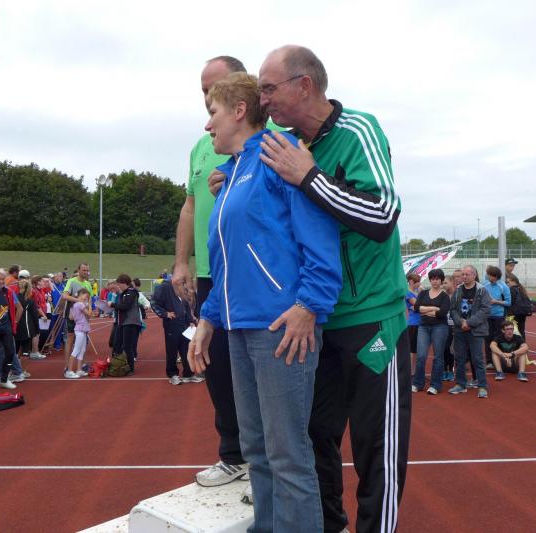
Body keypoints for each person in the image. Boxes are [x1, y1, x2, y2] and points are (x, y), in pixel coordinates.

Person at [255, 45, 410, 533]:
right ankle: (328, 524)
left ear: (305, 84)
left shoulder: (358, 130)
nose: (262, 100)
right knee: (314, 435)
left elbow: (382, 216)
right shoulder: (281, 144)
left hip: (371, 317)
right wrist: (231, 180)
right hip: (315, 318)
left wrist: (308, 176)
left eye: (268, 88)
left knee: (375, 447)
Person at [189, 70, 341, 532]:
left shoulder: (280, 156)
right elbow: (226, 258)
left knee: (287, 453)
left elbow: (320, 237)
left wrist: (309, 304)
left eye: (212, 112)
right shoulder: (232, 174)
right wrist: (209, 319)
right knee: (256, 448)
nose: (207, 125)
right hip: (240, 327)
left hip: (279, 328)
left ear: (239, 111)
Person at [172, 55, 250, 486]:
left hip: (250, 270)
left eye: (213, 88)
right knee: (214, 364)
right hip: (210, 271)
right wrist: (182, 261)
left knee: (259, 364)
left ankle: (266, 458)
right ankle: (234, 453)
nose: (206, 98)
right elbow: (189, 206)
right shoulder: (203, 146)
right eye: (202, 90)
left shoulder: (273, 134)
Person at [449, 265, 491, 398]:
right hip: (460, 329)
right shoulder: (458, 290)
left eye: (467, 274)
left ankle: (482, 386)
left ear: (474, 275)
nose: (464, 277)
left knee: (477, 359)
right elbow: (453, 309)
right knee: (459, 358)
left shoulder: (481, 290)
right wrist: (461, 322)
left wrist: (469, 322)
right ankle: (460, 384)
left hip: (476, 330)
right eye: (463, 274)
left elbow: (485, 309)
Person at [152, 267, 198, 385]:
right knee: (172, 350)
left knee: (186, 349)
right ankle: (173, 375)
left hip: (184, 325)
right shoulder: (164, 287)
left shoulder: (182, 287)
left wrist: (190, 320)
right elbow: (154, 303)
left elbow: (186, 306)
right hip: (172, 325)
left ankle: (188, 374)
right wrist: (165, 314)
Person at [412, 269, 450, 395]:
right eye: (433, 279)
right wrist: (434, 308)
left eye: (437, 279)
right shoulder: (423, 293)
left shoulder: (444, 296)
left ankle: (435, 385)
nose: (435, 281)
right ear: (430, 280)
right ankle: (418, 383)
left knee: (438, 357)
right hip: (423, 327)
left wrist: (425, 310)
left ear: (441, 280)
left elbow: (442, 313)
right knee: (421, 356)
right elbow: (416, 308)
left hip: (440, 327)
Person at [0, 269, 21, 391]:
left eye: (2, 279)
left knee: (10, 353)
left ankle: (4, 379)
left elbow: (14, 309)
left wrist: (14, 324)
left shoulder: (9, 292)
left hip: (6, 328)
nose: (0, 281)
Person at [62, 263, 93, 372]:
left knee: (83, 341)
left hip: (84, 317)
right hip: (72, 315)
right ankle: (67, 366)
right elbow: (65, 296)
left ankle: (82, 365)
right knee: (70, 339)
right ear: (79, 270)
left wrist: (90, 311)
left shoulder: (88, 284)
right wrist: (78, 300)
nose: (86, 272)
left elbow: (90, 299)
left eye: (87, 270)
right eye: (84, 270)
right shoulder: (71, 281)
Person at [110, 274, 141, 374]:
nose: (118, 286)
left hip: (130, 322)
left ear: (124, 283)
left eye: (119, 284)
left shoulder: (131, 292)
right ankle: (118, 365)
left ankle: (130, 368)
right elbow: (121, 306)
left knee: (127, 346)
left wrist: (112, 304)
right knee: (116, 344)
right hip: (122, 322)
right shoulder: (124, 293)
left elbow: (125, 306)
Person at [483, 265, 511, 366]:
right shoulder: (485, 284)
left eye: (491, 275)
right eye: (488, 275)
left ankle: (499, 359)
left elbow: (508, 302)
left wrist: (496, 301)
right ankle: (489, 361)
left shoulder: (503, 287)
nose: (489, 277)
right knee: (488, 338)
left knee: (498, 338)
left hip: (499, 316)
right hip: (487, 315)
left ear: (496, 276)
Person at [66, 288, 92, 379]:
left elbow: (71, 317)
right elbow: (89, 314)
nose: (87, 298)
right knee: (76, 350)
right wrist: (89, 305)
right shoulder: (80, 304)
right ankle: (69, 371)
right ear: (81, 294)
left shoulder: (74, 305)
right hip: (80, 329)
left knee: (82, 349)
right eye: (86, 296)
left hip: (81, 329)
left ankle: (79, 369)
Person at [506, 273, 531, 341]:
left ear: (514, 281)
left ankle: (518, 346)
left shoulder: (512, 290)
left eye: (508, 282)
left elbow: (510, 303)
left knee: (514, 332)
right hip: (522, 313)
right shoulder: (521, 289)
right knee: (521, 331)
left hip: (514, 314)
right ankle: (523, 345)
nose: (507, 284)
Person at [442, 274, 457, 381]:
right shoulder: (442, 295)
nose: (444, 285)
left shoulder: (457, 295)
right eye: (443, 283)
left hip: (454, 326)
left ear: (452, 283)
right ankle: (444, 370)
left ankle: (451, 370)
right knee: (443, 348)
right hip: (443, 325)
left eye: (446, 283)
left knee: (450, 349)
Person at [406, 273, 421, 360]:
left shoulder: (416, 292)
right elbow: (418, 304)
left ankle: (413, 367)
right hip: (412, 323)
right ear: (411, 282)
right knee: (412, 350)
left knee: (415, 349)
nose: (419, 284)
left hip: (417, 323)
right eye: (418, 282)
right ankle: (411, 368)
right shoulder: (408, 292)